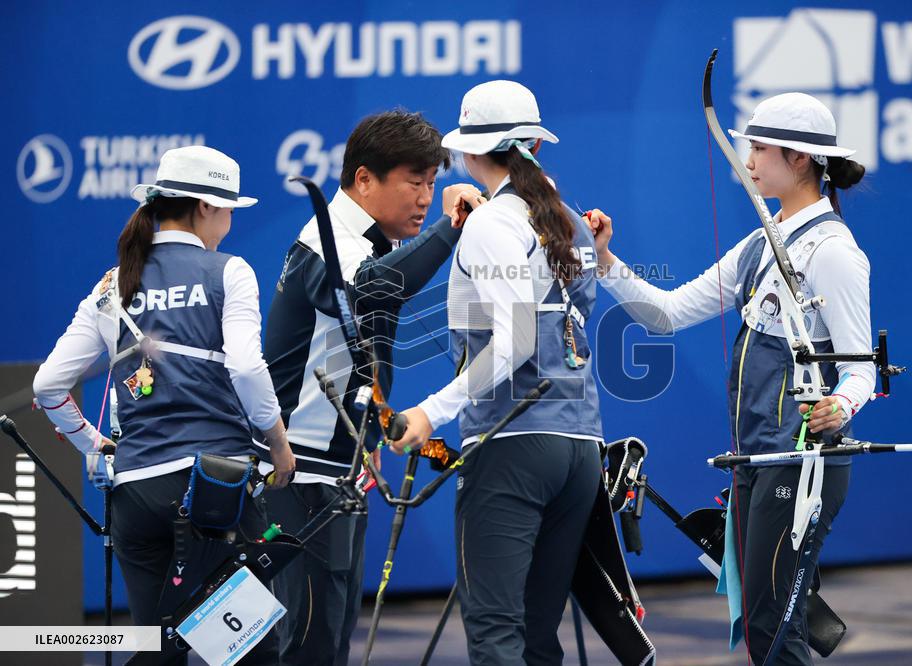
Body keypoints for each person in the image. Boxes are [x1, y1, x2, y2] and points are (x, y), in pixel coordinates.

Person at [590, 92, 873, 664]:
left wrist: (839, 407)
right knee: (760, 624)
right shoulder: (760, 245)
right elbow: (666, 313)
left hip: (802, 463)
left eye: (759, 147)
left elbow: (859, 369)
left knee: (774, 626)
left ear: (798, 160)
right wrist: (605, 261)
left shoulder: (834, 251)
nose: (748, 158)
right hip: (756, 460)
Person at [32, 145, 295, 663]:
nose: (228, 225)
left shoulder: (112, 287)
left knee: (157, 650)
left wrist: (95, 443)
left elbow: (48, 387)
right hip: (213, 488)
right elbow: (245, 367)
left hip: (135, 495)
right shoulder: (229, 271)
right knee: (249, 652)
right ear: (204, 207)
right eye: (227, 211)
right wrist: (280, 446)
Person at [390, 80, 604, 665]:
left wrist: (428, 412)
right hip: (581, 446)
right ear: (535, 142)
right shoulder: (566, 218)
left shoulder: (494, 225)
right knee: (536, 636)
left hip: (511, 444)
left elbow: (514, 341)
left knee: (497, 634)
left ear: (466, 152)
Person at [259, 110, 474, 665]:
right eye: (414, 181)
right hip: (299, 479)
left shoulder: (368, 247)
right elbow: (375, 291)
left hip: (335, 481)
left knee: (328, 644)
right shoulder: (324, 241)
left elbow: (353, 372)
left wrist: (413, 437)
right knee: (307, 649)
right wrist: (449, 230)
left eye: (432, 182)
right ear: (363, 180)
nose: (427, 196)